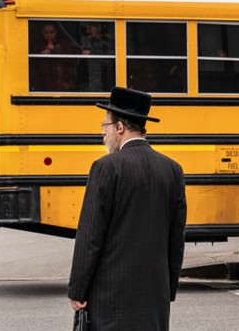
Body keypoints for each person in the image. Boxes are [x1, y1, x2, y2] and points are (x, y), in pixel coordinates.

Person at [68, 87, 187, 330]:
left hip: (110, 298)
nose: (103, 133)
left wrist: (78, 290)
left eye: (105, 126)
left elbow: (90, 235)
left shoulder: (106, 168)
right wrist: (167, 289)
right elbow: (176, 239)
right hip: (155, 297)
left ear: (120, 127)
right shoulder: (173, 170)